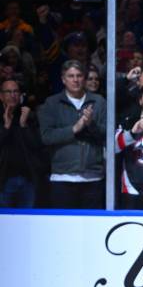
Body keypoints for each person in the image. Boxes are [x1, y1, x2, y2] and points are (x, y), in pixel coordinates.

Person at [38, 60, 106, 209]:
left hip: (93, 177)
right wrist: (74, 129)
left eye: (79, 75)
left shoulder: (99, 102)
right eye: (71, 76)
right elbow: (46, 136)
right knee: (63, 230)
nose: (75, 80)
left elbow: (107, 136)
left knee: (92, 228)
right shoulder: (52, 103)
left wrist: (90, 125)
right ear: (63, 79)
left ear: (84, 78)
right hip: (62, 177)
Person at [0, 79, 43, 208]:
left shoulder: (29, 116)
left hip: (28, 179)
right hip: (3, 180)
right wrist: (6, 127)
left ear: (20, 95)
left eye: (15, 91)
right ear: (1, 96)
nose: (12, 95)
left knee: (27, 223)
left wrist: (24, 126)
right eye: (8, 92)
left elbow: (37, 145)